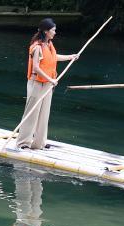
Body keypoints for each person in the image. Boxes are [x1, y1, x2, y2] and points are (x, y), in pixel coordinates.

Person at [16, 18, 79, 150]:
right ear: (46, 31)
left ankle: (39, 143)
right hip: (36, 83)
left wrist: (70, 57)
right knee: (32, 113)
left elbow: (53, 58)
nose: (55, 32)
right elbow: (36, 68)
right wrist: (51, 80)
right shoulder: (37, 47)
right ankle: (23, 143)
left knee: (44, 113)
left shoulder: (49, 45)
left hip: (48, 84)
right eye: (53, 30)